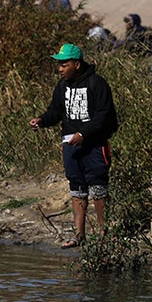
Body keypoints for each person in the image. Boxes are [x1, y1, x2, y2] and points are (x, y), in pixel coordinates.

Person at [29, 43, 119, 248]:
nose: (60, 68)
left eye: (64, 64)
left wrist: (84, 134)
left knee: (98, 188)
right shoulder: (62, 86)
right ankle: (79, 236)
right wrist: (42, 120)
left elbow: (104, 116)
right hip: (70, 144)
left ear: (76, 64)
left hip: (95, 144)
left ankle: (105, 236)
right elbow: (56, 111)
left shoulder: (97, 84)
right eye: (59, 64)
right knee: (77, 188)